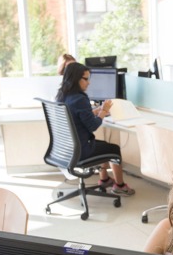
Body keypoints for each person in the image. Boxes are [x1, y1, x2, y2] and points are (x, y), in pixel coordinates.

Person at [56, 62, 135, 196]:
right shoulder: (80, 98)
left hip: (66, 149)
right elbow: (93, 126)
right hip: (81, 151)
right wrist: (104, 111)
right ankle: (120, 186)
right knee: (113, 148)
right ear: (75, 79)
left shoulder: (62, 96)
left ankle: (104, 179)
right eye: (86, 79)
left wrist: (94, 111)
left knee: (102, 145)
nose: (89, 83)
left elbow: (76, 115)